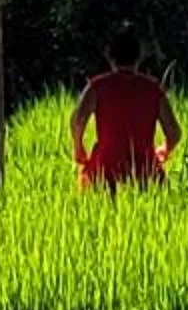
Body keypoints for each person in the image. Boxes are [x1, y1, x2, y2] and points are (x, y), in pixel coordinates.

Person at [70, 26, 181, 192]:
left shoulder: (97, 86)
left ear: (110, 56)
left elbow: (77, 121)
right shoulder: (153, 89)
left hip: (105, 167)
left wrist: (78, 147)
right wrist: (165, 149)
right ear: (139, 57)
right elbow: (174, 132)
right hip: (145, 170)